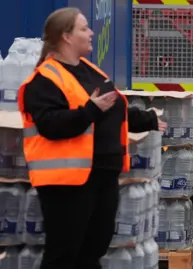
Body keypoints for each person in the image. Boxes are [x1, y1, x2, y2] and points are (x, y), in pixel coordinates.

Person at [16, 7, 167, 269]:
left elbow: (112, 108)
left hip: (102, 174)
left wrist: (147, 119)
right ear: (66, 36)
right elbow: (51, 125)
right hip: (67, 181)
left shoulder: (89, 70)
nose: (91, 32)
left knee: (93, 249)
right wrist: (90, 110)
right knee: (64, 254)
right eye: (84, 28)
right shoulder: (44, 79)